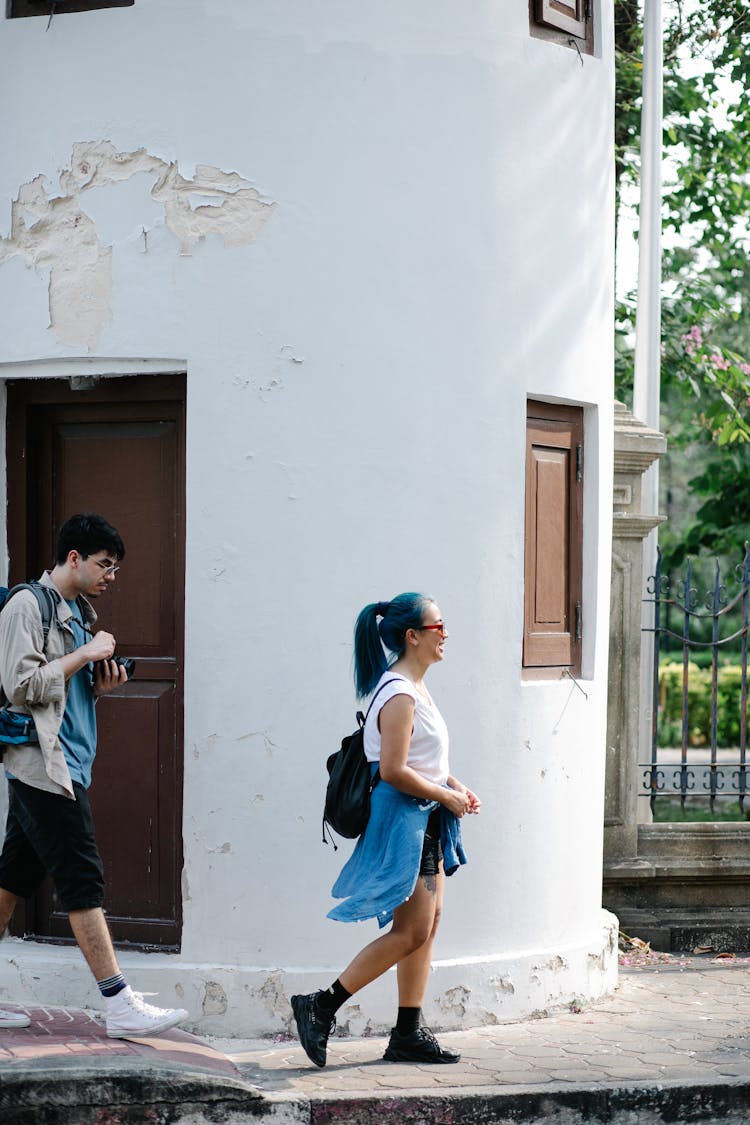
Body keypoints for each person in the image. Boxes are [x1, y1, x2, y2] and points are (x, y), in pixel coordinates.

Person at [0, 513, 187, 1038]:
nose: (111, 576)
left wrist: (99, 683)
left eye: (116, 569)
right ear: (74, 558)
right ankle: (120, 1003)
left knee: (13, 877)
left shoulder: (78, 612)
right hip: (43, 766)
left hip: (70, 761)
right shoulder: (25, 606)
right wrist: (85, 653)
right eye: (105, 565)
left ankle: (120, 1003)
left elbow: (64, 692)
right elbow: (20, 687)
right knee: (83, 878)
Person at [291, 592, 480, 1067]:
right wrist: (445, 796)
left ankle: (408, 1033)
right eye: (439, 627)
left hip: (425, 816)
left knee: (426, 926)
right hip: (404, 820)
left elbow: (423, 761)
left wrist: (455, 787)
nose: (446, 634)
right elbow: (393, 770)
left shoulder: (414, 687)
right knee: (411, 930)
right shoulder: (398, 693)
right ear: (412, 636)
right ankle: (320, 1005)